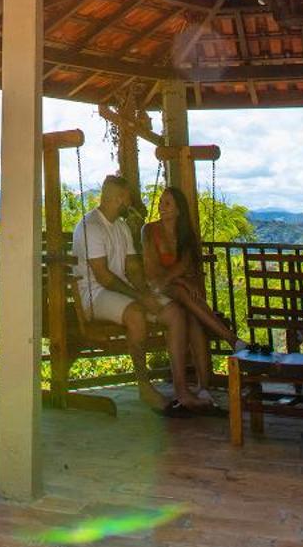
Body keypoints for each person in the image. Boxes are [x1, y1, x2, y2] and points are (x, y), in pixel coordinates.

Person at [71, 172, 192, 413]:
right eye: (127, 199)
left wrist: (146, 292)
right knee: (136, 313)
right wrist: (140, 298)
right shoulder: (90, 226)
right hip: (94, 295)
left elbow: (133, 268)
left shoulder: (122, 226)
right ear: (116, 199)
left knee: (173, 312)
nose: (130, 204)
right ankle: (144, 386)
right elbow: (103, 277)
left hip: (120, 292)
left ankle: (182, 389)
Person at [141, 184, 240, 409]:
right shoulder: (149, 231)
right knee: (183, 294)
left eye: (167, 203)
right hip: (157, 288)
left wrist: (182, 279)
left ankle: (203, 388)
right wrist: (182, 280)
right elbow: (153, 270)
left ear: (178, 210)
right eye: (161, 203)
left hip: (178, 291)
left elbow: (185, 266)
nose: (161, 207)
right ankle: (231, 339)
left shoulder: (185, 235)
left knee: (194, 319)